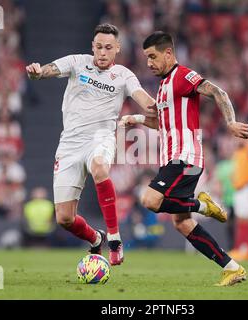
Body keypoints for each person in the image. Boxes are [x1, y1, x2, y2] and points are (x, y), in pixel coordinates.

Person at [119, 31, 248, 286]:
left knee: (150, 200)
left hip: (186, 156)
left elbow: (217, 92)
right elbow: (162, 123)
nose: (149, 63)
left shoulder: (182, 76)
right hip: (175, 158)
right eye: (146, 58)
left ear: (168, 53)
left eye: (152, 56)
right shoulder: (163, 87)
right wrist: (134, 119)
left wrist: (231, 121)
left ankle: (202, 206)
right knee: (181, 222)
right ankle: (232, 267)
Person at [26, 24, 156, 265]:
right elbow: (50, 69)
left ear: (117, 48)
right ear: (92, 47)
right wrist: (37, 72)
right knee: (64, 219)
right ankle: (97, 238)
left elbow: (143, 99)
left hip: (101, 138)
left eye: (108, 48)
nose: (102, 53)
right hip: (70, 144)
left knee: (100, 167)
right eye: (98, 47)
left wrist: (157, 107)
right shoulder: (78, 62)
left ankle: (115, 240)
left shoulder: (124, 76)